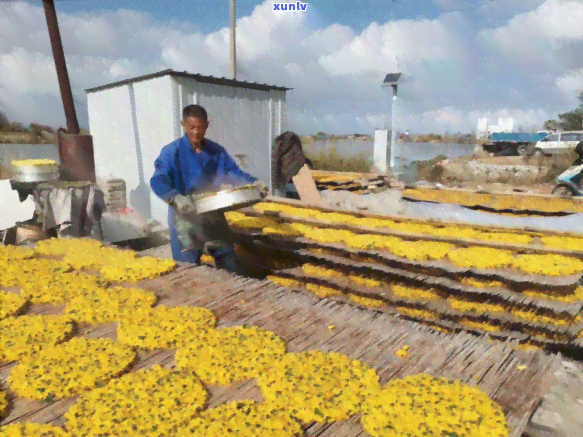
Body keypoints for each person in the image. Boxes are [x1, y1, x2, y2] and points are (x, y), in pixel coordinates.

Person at [150, 104, 268, 276]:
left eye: (200, 127)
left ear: (207, 125)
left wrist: (254, 182)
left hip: (212, 216)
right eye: (192, 127)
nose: (196, 132)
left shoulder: (216, 152)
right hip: (185, 218)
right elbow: (158, 180)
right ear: (183, 125)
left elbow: (232, 173)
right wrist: (174, 197)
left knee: (229, 262)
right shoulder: (171, 152)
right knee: (188, 270)